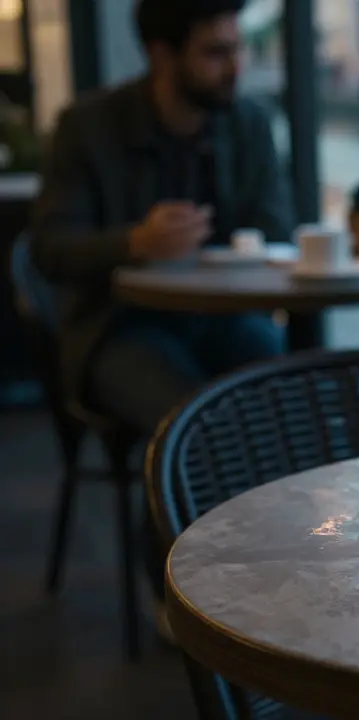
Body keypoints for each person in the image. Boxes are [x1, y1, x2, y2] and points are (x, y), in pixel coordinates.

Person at [30, 0, 291, 619]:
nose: (235, 68)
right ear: (161, 55)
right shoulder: (88, 127)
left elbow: (277, 227)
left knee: (279, 389)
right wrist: (132, 243)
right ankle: (183, 591)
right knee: (192, 413)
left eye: (237, 48)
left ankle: (262, 574)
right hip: (117, 329)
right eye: (215, 52)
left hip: (223, 321)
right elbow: (46, 248)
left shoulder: (246, 123)